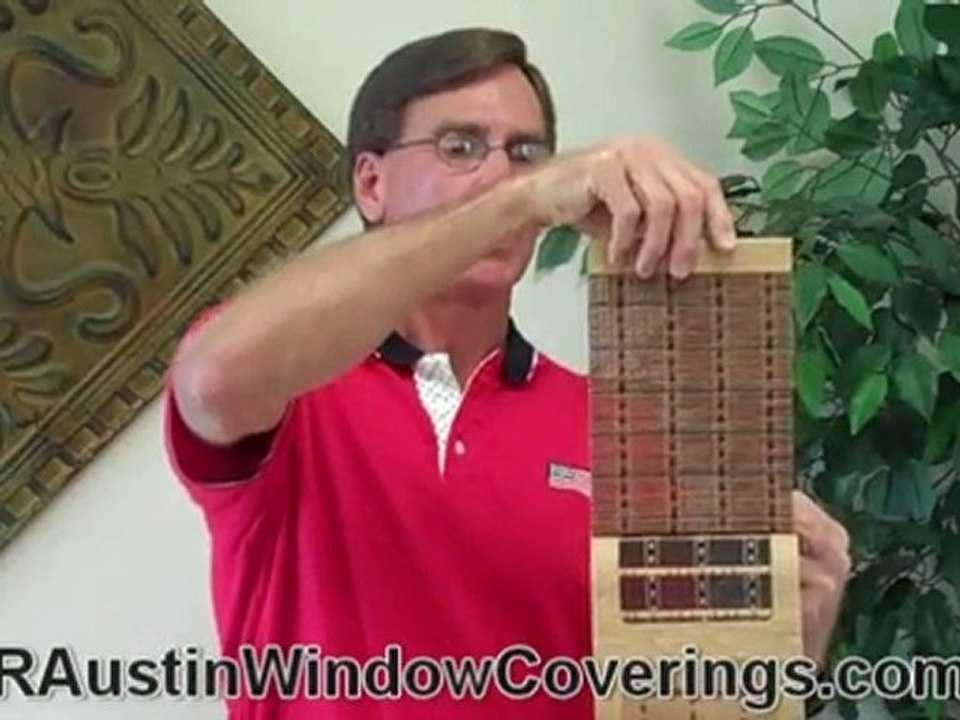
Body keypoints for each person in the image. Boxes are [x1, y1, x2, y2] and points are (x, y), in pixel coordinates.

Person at [162, 27, 851, 720]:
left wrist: (782, 658)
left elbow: (680, 705)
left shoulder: (624, 432)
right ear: (371, 183)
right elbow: (213, 378)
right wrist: (518, 198)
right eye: (460, 147)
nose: (501, 174)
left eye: (525, 154)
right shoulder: (295, 387)